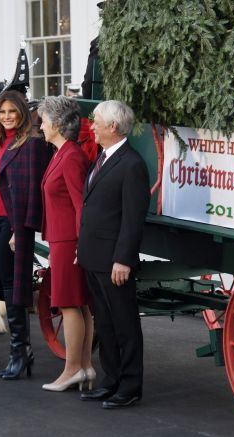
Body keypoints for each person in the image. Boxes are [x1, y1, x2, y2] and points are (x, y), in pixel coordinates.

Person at [77, 100, 150, 409]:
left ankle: (130, 385)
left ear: (113, 127)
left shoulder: (131, 164)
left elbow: (133, 218)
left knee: (124, 324)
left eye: (96, 121)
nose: (91, 126)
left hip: (114, 261)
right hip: (94, 257)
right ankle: (112, 380)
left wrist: (123, 259)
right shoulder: (103, 159)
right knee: (104, 322)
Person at [0, 90, 51, 380]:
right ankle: (21, 353)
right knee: (5, 287)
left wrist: (22, 230)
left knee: (13, 290)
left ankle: (20, 353)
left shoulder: (32, 145)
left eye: (12, 112)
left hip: (13, 223)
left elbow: (34, 192)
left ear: (22, 113)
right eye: (2, 113)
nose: (7, 117)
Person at [36, 96, 94, 392]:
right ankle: (83, 367)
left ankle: (73, 369)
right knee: (78, 305)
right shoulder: (61, 153)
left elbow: (80, 205)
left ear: (58, 124)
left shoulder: (71, 156)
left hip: (69, 241)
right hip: (63, 239)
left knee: (70, 305)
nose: (41, 125)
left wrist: (79, 246)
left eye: (44, 120)